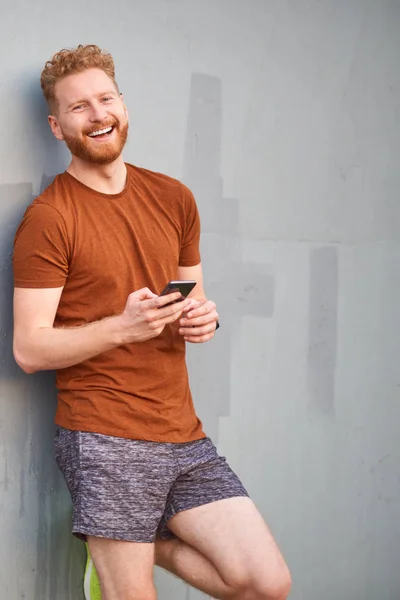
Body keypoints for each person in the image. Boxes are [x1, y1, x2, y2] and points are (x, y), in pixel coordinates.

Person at [12, 45, 291, 600]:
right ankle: (113, 542)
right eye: (79, 108)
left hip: (181, 433)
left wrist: (202, 320)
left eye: (105, 99)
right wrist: (123, 326)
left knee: (266, 583)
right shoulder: (50, 218)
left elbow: (195, 301)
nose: (97, 115)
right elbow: (29, 349)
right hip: (103, 433)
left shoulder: (174, 197)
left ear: (123, 104)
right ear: (56, 125)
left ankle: (122, 539)